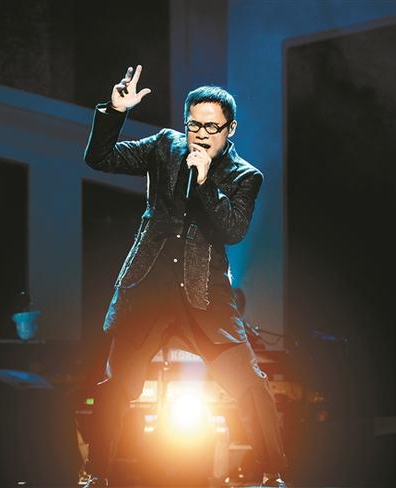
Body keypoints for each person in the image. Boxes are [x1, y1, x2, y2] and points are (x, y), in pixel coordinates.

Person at [81, 65, 288, 488]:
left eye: (212, 127)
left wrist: (206, 180)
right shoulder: (164, 146)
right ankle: (95, 475)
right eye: (195, 124)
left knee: (250, 385)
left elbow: (233, 229)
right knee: (116, 386)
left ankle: (272, 476)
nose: (201, 134)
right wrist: (114, 112)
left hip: (205, 298)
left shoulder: (245, 176)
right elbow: (100, 158)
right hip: (148, 289)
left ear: (230, 129)